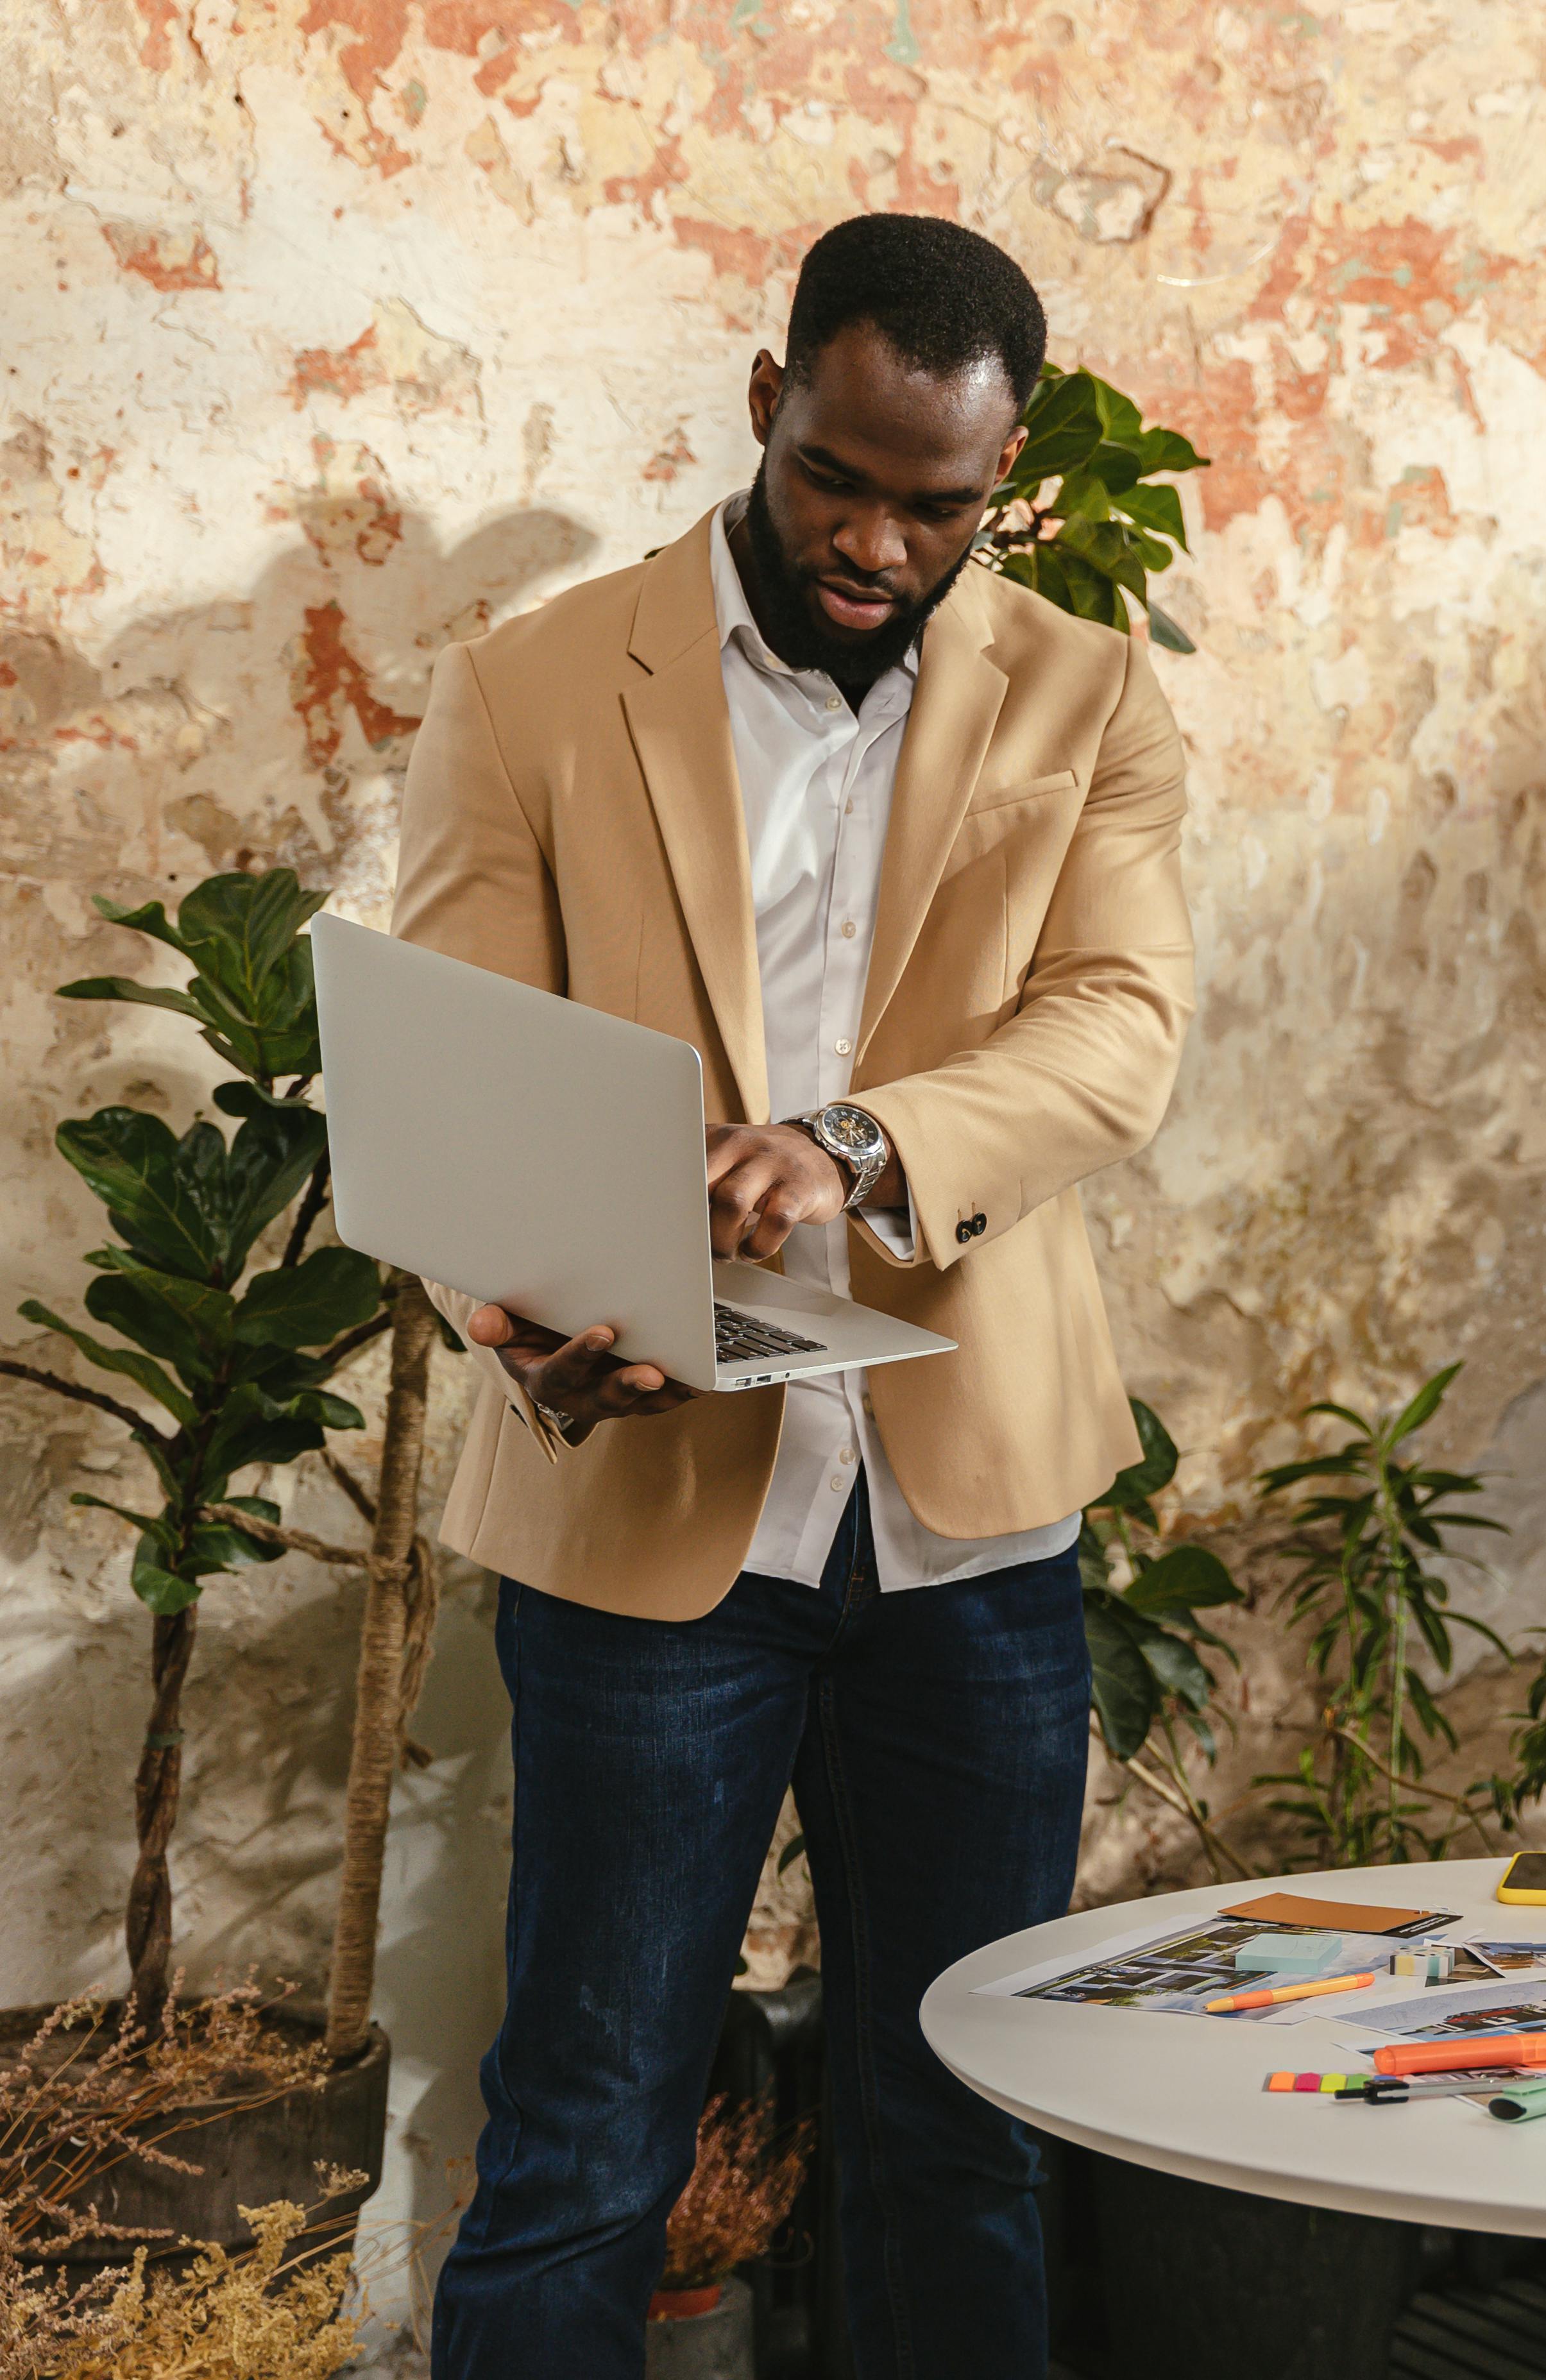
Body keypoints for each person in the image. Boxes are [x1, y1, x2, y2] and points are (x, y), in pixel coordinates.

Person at [397, 214, 1194, 2378]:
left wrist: (856, 1145)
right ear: (768, 406)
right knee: (582, 2134)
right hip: (651, 1514)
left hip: (974, 1526)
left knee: (965, 2132)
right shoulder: (538, 685)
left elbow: (1120, 1024)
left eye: (934, 506)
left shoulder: (1088, 694)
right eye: (838, 474)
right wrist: (520, 1306)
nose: (872, 538)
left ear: (1001, 485)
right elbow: (454, 1061)